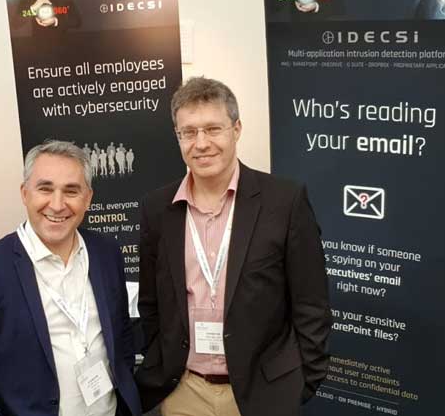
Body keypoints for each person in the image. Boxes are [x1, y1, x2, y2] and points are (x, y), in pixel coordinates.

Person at [135, 77, 330, 416]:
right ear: (178, 137)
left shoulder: (284, 202)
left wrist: (301, 382)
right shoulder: (157, 209)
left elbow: (311, 302)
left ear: (236, 129)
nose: (201, 143)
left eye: (213, 129)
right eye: (189, 132)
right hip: (184, 392)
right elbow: (151, 303)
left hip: (262, 393)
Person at [0, 140, 140, 416]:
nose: (57, 204)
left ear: (88, 198)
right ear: (24, 193)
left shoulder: (106, 252)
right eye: (45, 189)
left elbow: (121, 335)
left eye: (71, 191)